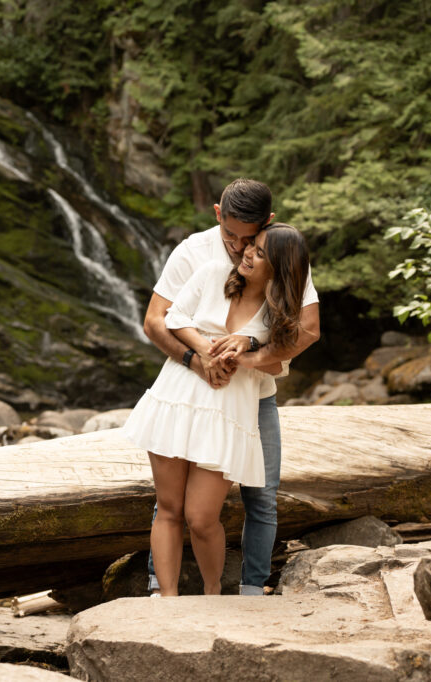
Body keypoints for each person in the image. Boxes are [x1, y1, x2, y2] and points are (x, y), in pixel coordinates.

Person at [136, 178, 320, 596]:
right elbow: (158, 320)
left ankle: (251, 589)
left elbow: (306, 328)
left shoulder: (278, 252)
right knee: (170, 502)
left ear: (266, 225)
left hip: (250, 400)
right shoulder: (198, 255)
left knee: (260, 497)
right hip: (187, 390)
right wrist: (197, 360)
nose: (240, 248)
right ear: (218, 214)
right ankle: (158, 587)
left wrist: (251, 351)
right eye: (231, 236)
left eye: (249, 239)